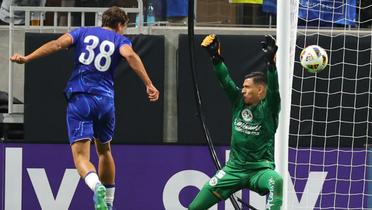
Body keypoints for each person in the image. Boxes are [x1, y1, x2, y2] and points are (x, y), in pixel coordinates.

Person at [10, 6, 159, 210]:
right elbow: (131, 56)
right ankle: (108, 202)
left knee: (81, 156)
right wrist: (149, 84)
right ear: (120, 25)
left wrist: (27, 58)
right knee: (105, 151)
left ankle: (96, 185)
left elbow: (56, 44)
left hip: (80, 99)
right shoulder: (120, 40)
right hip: (105, 101)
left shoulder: (82, 32)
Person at [188, 34, 283, 210]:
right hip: (233, 170)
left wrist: (271, 65)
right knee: (194, 207)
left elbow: (274, 90)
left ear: (260, 90)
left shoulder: (269, 108)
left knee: (276, 180)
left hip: (259, 171)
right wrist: (215, 59)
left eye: (247, 87)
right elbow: (225, 81)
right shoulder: (238, 102)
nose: (243, 90)